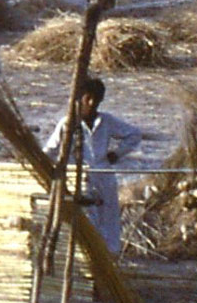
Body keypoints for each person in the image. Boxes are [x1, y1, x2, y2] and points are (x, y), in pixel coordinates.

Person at [41, 76, 143, 255]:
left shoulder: (106, 121)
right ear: (79, 99)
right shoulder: (67, 124)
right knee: (86, 220)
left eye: (96, 99)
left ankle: (110, 258)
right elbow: (50, 149)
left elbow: (134, 135)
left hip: (104, 176)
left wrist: (116, 153)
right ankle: (90, 258)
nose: (92, 103)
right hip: (79, 178)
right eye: (88, 98)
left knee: (109, 219)